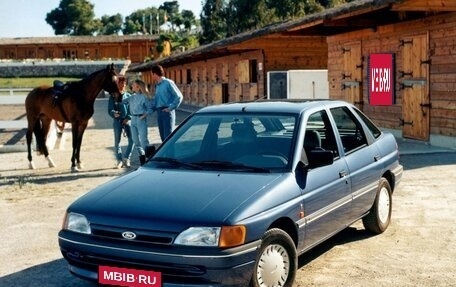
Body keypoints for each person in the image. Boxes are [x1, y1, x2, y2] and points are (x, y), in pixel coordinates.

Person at [150, 65, 183, 142]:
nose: (151, 76)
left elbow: (179, 96)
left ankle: (171, 154)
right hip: (159, 113)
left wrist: (170, 108)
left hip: (167, 113)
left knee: (168, 138)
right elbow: (156, 102)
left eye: (151, 74)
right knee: (163, 139)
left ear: (154, 74)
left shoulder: (168, 82)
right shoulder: (157, 86)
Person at [108, 77, 134, 169]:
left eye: (124, 83)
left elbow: (132, 108)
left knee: (132, 140)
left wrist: (128, 117)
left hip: (127, 121)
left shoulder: (129, 96)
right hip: (117, 122)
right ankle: (119, 161)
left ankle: (127, 158)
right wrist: (113, 113)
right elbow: (110, 109)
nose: (122, 85)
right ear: (117, 84)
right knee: (117, 142)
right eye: (120, 83)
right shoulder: (113, 96)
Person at [124, 79, 151, 165]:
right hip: (133, 120)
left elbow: (150, 109)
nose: (132, 86)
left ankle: (149, 158)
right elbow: (122, 101)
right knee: (135, 141)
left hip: (141, 119)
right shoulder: (131, 97)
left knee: (143, 141)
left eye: (134, 85)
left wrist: (143, 116)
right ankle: (143, 158)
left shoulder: (144, 97)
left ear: (138, 87)